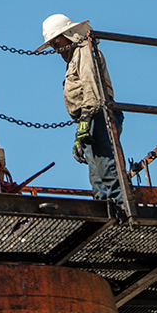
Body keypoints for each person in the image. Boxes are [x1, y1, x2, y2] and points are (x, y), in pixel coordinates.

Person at [37, 13, 125, 209]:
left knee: (107, 171)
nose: (55, 49)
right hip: (90, 118)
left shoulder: (85, 49)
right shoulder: (74, 58)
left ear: (68, 35)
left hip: (101, 115)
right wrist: (81, 131)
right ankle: (107, 215)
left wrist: (85, 121)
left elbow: (91, 86)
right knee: (97, 181)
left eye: (56, 42)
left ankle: (123, 212)